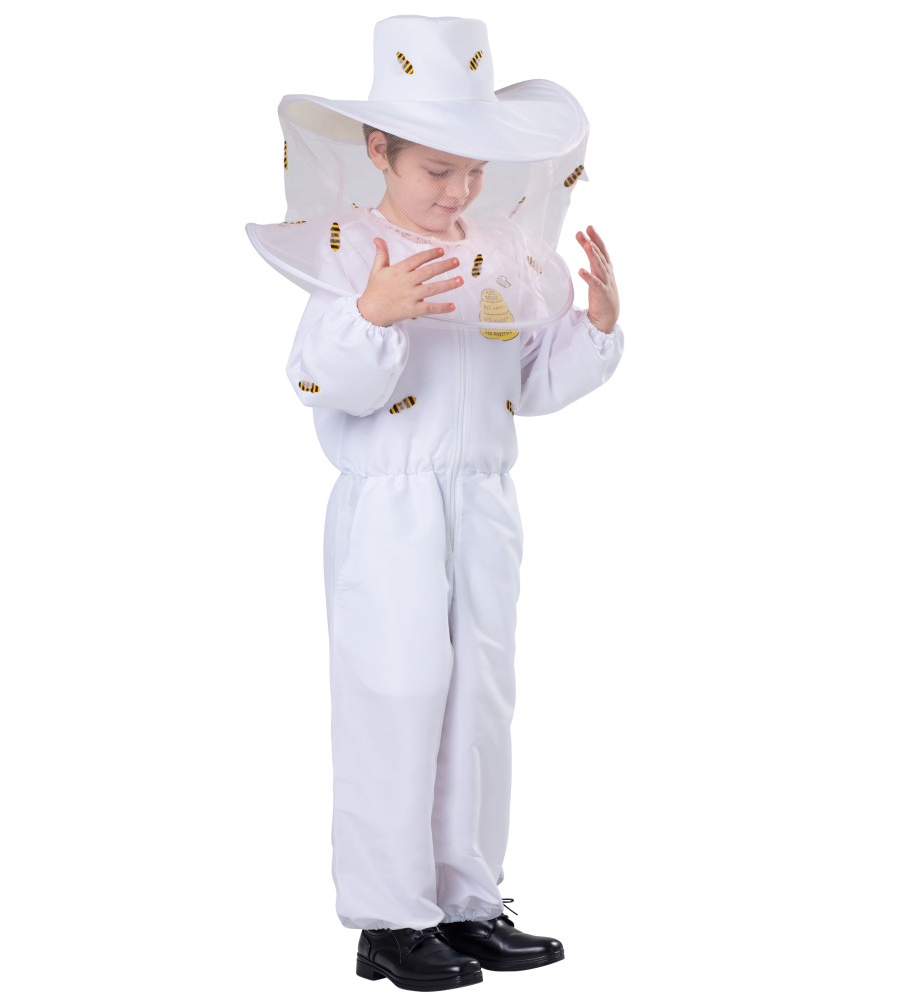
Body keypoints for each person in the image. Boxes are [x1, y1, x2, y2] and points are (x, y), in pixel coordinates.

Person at [245, 15, 624, 992]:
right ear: (379, 150)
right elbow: (320, 379)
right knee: (396, 693)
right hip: (391, 509)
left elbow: (525, 384)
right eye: (436, 170)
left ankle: (466, 898)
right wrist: (369, 319)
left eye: (472, 172)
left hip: (484, 500)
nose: (457, 191)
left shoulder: (503, 253)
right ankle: (389, 918)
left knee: (478, 700)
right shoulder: (351, 252)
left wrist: (591, 328)